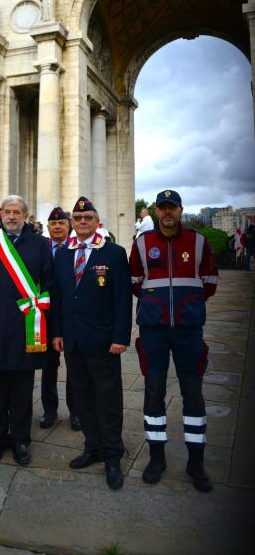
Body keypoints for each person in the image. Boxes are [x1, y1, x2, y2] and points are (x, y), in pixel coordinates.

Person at [129, 189, 219, 492]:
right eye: (163, 207)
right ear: (155, 211)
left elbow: (210, 282)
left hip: (188, 330)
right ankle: (157, 457)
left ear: (181, 211)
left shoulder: (198, 242)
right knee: (153, 392)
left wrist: (186, 304)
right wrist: (158, 306)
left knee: (193, 393)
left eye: (173, 208)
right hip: (153, 331)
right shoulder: (142, 243)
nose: (167, 212)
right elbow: (135, 282)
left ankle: (196, 462)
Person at [52, 196, 132, 490]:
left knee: (108, 399)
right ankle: (93, 446)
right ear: (72, 222)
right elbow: (59, 296)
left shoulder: (112, 253)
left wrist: (121, 337)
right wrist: (57, 332)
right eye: (77, 218)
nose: (82, 222)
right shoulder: (62, 254)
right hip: (72, 341)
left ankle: (113, 455)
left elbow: (123, 300)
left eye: (88, 218)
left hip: (103, 341)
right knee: (82, 397)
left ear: (97, 221)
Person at [0, 194, 53, 465]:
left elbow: (47, 282)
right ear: (0, 213)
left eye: (18, 212)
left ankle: (20, 440)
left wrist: (39, 307)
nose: (12, 216)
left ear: (26, 216)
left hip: (26, 328)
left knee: (21, 389)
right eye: (8, 211)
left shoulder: (41, 244)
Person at [40, 207, 80, 431]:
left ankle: (76, 412)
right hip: (46, 316)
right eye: (53, 223)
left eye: (61, 223)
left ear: (69, 225)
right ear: (48, 227)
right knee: (48, 368)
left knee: (74, 367)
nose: (57, 227)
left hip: (70, 316)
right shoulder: (41, 248)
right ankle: (49, 411)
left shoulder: (77, 248)